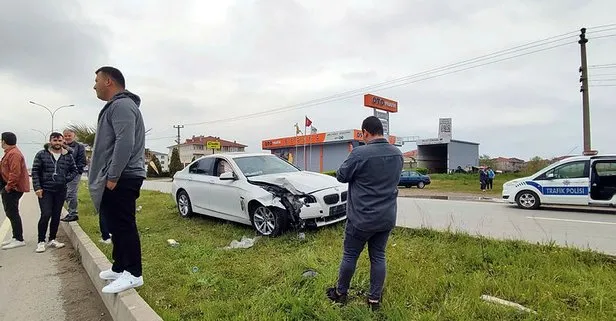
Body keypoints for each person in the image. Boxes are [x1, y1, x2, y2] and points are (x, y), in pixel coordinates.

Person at [326, 116, 403, 311]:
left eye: (363, 135)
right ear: (381, 131)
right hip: (386, 217)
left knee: (350, 255)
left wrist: (352, 156)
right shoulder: (397, 154)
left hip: (361, 218)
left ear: (365, 133)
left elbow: (341, 176)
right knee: (378, 256)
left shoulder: (360, 153)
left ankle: (341, 293)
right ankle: (374, 300)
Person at [89, 66, 147, 294]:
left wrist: (113, 176)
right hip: (116, 176)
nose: (94, 85)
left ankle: (133, 273)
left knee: (124, 225)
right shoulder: (116, 106)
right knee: (114, 224)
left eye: (96, 80)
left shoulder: (122, 105)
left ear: (109, 82)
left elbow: (125, 142)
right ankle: (120, 266)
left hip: (123, 176)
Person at [31, 132, 77, 253]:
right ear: (50, 141)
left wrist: (65, 179)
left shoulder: (67, 155)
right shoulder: (42, 154)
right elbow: (35, 172)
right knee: (46, 214)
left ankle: (52, 239)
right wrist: (37, 187)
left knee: (56, 215)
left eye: (60, 141)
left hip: (60, 190)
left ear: (63, 142)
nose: (57, 143)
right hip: (45, 190)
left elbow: (74, 170)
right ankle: (41, 241)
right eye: (55, 140)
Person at [0, 132, 30, 250]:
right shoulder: (9, 153)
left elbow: (15, 173)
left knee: (12, 213)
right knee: (10, 212)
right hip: (10, 187)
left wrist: (8, 187)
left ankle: (18, 238)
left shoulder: (14, 154)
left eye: (1, 140)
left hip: (13, 188)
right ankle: (15, 237)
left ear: (4, 141)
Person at [60, 128, 87, 222]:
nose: (67, 137)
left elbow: (82, 161)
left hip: (75, 173)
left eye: (69, 135)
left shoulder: (80, 147)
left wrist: (76, 171)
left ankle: (73, 213)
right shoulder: (61, 146)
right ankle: (71, 212)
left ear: (74, 136)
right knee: (64, 193)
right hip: (63, 174)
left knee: (70, 193)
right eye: (65, 136)